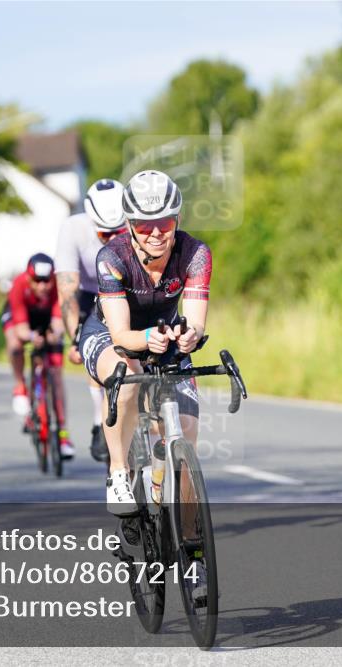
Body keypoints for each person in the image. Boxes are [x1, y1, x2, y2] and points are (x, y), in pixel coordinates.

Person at [78, 170, 211, 517]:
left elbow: (195, 321)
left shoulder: (195, 253)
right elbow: (122, 336)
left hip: (163, 332)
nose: (155, 233)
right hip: (109, 332)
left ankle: (191, 546)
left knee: (185, 429)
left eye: (165, 223)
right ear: (129, 224)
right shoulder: (112, 256)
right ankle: (119, 473)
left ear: (177, 219)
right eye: (142, 224)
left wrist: (190, 334)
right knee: (125, 377)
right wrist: (150, 339)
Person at [55, 179, 128, 462]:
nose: (112, 240)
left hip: (125, 287)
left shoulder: (135, 225)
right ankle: (100, 420)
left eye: (119, 232)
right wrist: (75, 338)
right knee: (91, 344)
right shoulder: (73, 229)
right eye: (104, 234)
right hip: (88, 292)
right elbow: (67, 291)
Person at [2, 253, 73, 459]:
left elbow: (59, 322)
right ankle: (20, 386)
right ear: (28, 277)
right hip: (22, 318)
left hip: (45, 318)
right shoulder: (18, 285)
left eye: (46, 281)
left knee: (57, 376)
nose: (42, 286)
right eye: (37, 281)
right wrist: (32, 337)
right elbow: (22, 329)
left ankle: (62, 433)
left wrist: (54, 334)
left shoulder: (58, 287)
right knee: (15, 344)